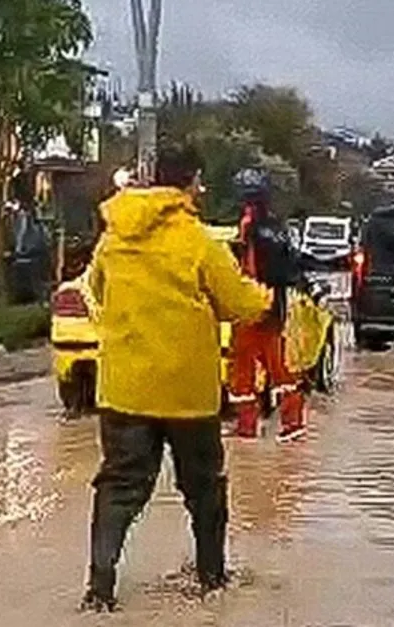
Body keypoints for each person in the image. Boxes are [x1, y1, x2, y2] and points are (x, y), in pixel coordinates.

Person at [79, 152, 272, 613]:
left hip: (124, 388)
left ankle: (100, 588)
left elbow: (95, 290)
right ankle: (211, 580)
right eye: (200, 184)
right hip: (188, 392)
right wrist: (264, 296)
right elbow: (240, 302)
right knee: (204, 488)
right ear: (190, 186)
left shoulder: (114, 237)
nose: (202, 192)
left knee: (119, 487)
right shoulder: (197, 242)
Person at [229, 168, 308, 442]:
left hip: (253, 304)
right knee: (279, 366)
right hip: (275, 304)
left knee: (242, 368)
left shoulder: (250, 226)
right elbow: (292, 264)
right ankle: (292, 423)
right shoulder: (278, 227)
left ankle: (247, 426)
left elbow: (247, 268)